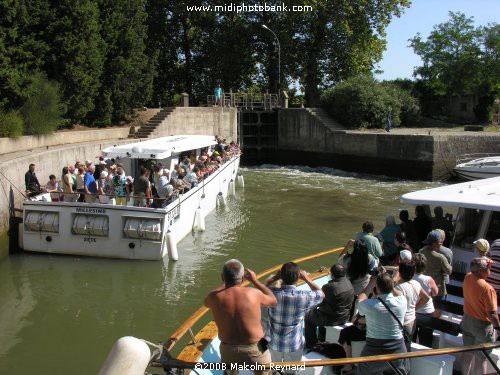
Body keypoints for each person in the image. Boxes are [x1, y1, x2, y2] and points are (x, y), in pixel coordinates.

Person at [205, 259, 277, 375]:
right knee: (266, 372)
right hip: (257, 348)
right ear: (243, 278)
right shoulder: (254, 293)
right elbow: (273, 300)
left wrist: (224, 282)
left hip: (228, 349)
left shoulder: (213, 297)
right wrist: (255, 280)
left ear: (222, 277)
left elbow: (206, 303)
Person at [264, 262, 324, 367]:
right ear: (298, 278)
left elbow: (263, 287)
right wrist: (306, 278)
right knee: (291, 371)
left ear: (281, 277)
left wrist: (275, 277)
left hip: (274, 342)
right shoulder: (304, 297)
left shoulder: (272, 294)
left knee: (274, 369)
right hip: (294, 344)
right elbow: (321, 294)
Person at [356, 273, 408, 375]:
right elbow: (399, 294)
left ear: (377, 287)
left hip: (373, 349)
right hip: (398, 349)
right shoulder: (402, 301)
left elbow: (360, 299)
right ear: (392, 286)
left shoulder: (369, 305)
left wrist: (371, 284)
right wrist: (390, 283)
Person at [461, 257, 500, 375]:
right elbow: (492, 313)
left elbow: (476, 266)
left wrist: (485, 263)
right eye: (489, 268)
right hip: (482, 326)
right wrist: (498, 328)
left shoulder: (468, 277)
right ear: (482, 270)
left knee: (467, 354)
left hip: (467, 321)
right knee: (481, 358)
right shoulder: (488, 289)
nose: (490, 270)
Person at [304, 264, 354, 349]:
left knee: (308, 317)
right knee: (320, 312)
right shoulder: (349, 283)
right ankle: (321, 338)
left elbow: (318, 301)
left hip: (332, 319)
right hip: (345, 317)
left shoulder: (329, 287)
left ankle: (311, 345)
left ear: (332, 275)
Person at [394, 259, 430, 336]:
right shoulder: (416, 284)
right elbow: (426, 298)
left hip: (401, 323)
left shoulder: (398, 288)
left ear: (400, 272)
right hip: (412, 320)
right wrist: (414, 308)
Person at [418, 230, 452, 312]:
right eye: (439, 242)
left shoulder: (421, 252)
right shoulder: (440, 257)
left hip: (424, 286)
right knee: (437, 308)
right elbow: (449, 271)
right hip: (437, 288)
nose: (441, 243)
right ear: (434, 244)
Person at [412, 253, 439, 347]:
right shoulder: (429, 279)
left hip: (413, 312)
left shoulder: (408, 277)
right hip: (427, 312)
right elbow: (436, 293)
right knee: (426, 341)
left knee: (411, 338)